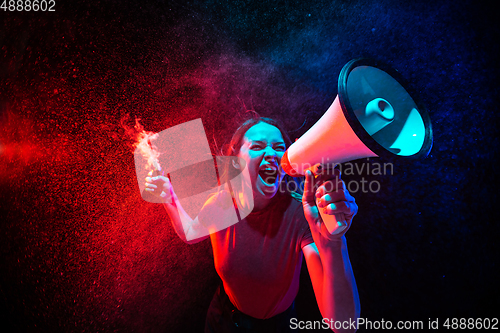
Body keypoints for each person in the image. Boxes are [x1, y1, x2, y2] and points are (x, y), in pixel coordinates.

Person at [144, 117, 360, 332]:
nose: (271, 154)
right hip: (222, 321)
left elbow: (344, 324)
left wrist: (333, 241)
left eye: (279, 148)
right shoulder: (221, 203)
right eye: (257, 146)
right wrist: (170, 197)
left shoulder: (300, 215)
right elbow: (190, 232)